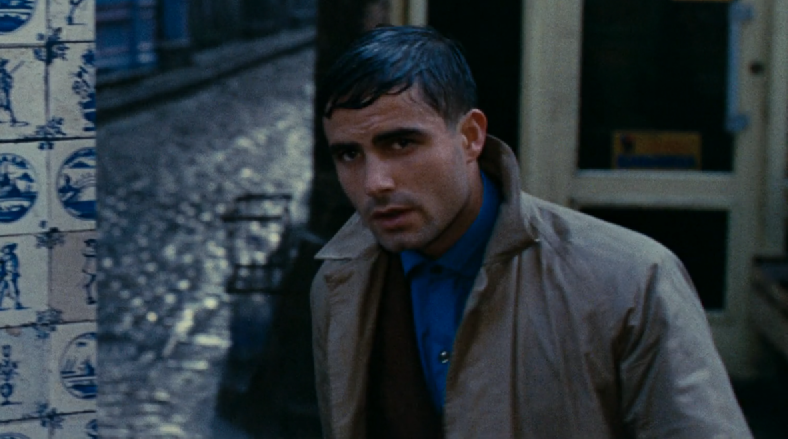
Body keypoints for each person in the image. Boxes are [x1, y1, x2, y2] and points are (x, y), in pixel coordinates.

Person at [310, 25, 752, 438]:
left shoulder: (631, 280)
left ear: (470, 137)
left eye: (401, 144)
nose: (375, 183)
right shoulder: (339, 284)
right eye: (349, 154)